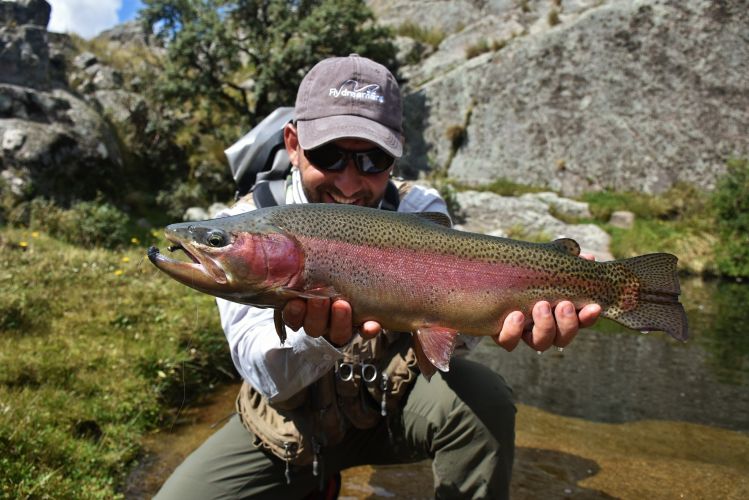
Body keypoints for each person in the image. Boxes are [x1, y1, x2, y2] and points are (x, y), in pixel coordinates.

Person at [156, 54, 601, 499]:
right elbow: (265, 374)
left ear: (397, 152)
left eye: (373, 159)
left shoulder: (418, 210)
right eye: (328, 155)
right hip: (286, 428)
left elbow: (449, 335)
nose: (350, 184)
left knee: (483, 399)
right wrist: (319, 336)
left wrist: (513, 314)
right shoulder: (244, 222)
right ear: (293, 143)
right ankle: (317, 479)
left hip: (390, 404)